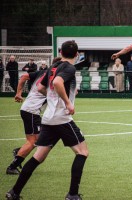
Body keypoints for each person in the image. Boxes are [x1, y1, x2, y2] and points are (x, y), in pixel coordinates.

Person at [6, 41, 88, 200]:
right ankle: (72, 194)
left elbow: (42, 88)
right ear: (77, 54)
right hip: (62, 118)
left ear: (61, 52)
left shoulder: (52, 67)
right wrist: (68, 102)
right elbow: (57, 83)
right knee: (82, 152)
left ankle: (14, 192)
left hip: (48, 118)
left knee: (38, 157)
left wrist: (53, 98)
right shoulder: (70, 68)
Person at [6, 57, 61, 175]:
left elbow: (24, 76)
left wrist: (19, 93)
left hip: (30, 110)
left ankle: (19, 152)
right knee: (34, 142)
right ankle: (12, 166)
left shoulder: (43, 72)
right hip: (31, 111)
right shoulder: (52, 76)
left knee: (40, 139)